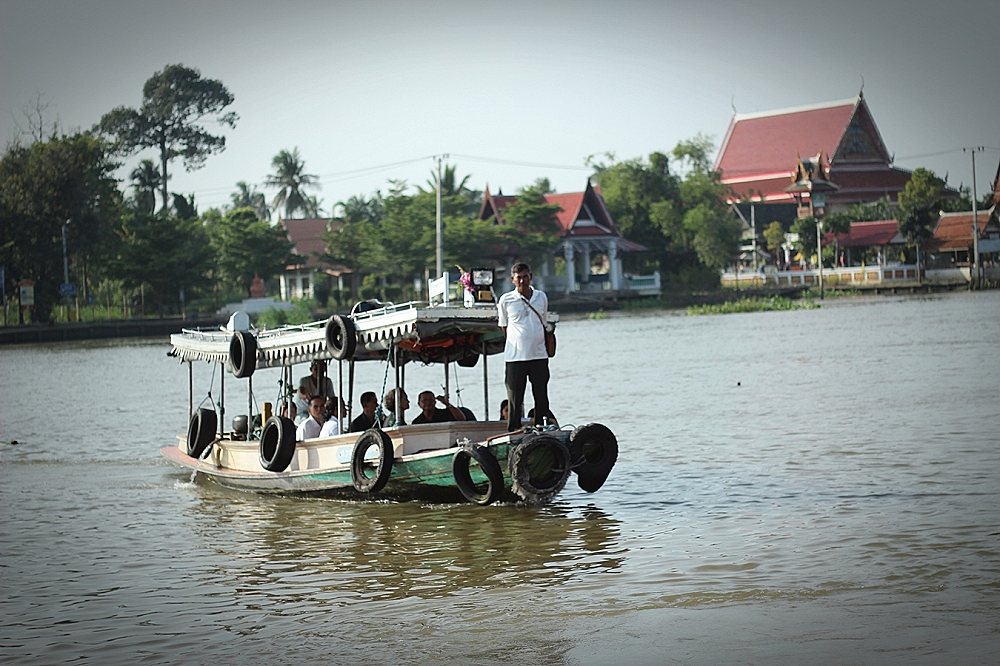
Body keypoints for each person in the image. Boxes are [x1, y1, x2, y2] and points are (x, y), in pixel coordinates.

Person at [496, 262, 551, 432]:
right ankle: (514, 429)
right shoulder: (506, 299)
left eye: (525, 277)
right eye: (518, 278)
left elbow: (544, 321)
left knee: (541, 395)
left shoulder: (541, 296)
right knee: (514, 397)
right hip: (515, 357)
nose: (522, 281)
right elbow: (504, 326)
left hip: (539, 355)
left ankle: (541, 426)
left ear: (531, 277)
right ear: (513, 280)